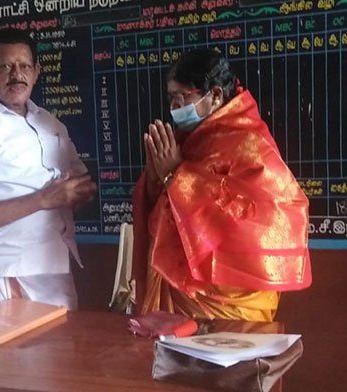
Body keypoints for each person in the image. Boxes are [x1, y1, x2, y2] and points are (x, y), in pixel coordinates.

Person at [132, 48, 311, 321]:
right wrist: (156, 180)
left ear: (215, 95)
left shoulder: (250, 144)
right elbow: (162, 206)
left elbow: (253, 222)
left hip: (226, 297)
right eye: (171, 98)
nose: (175, 107)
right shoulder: (185, 140)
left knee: (227, 348)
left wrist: (176, 176)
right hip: (179, 289)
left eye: (183, 96)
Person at [0, 27, 96, 310]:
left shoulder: (50, 123)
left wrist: (78, 193)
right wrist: (45, 199)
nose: (17, 75)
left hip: (54, 265)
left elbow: (80, 184)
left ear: (37, 72)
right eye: (5, 67)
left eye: (25, 66)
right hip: (4, 272)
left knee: (65, 340)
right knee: (12, 342)